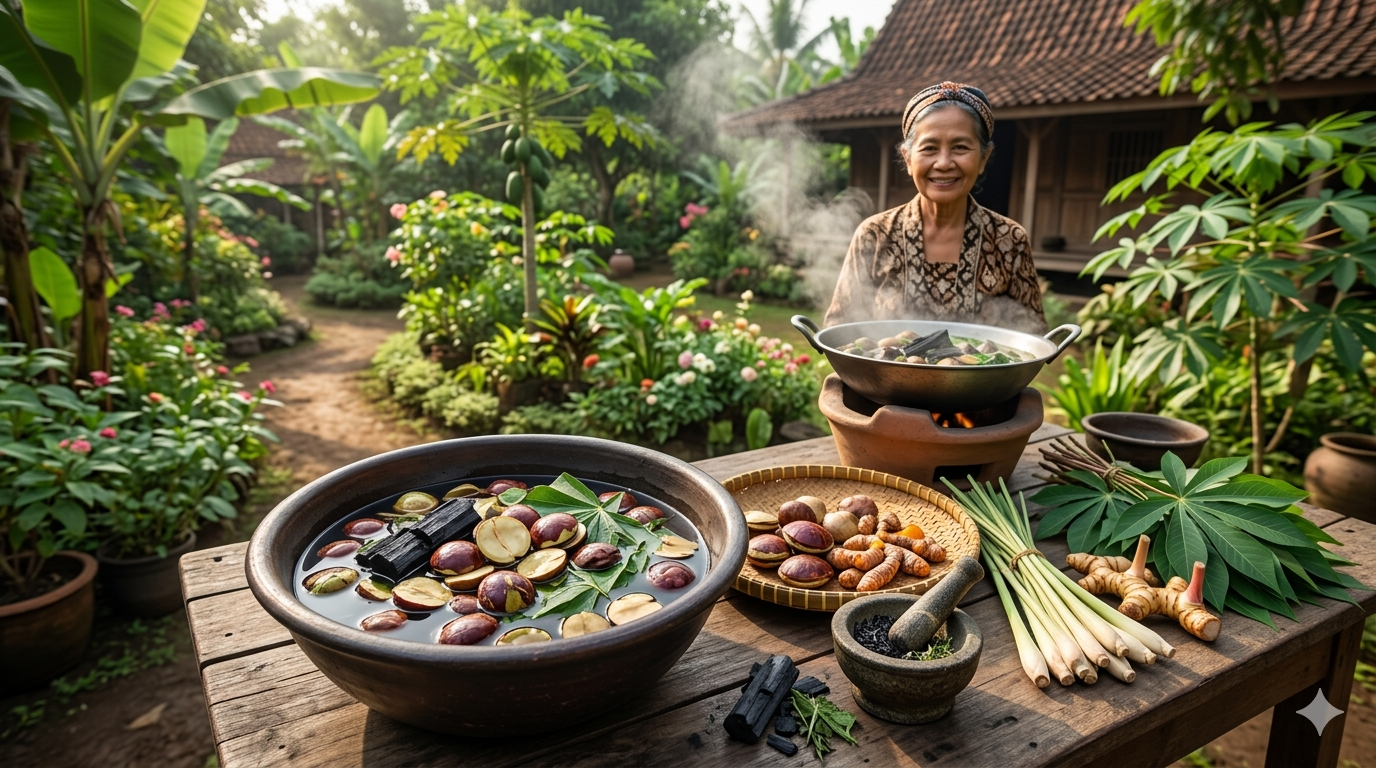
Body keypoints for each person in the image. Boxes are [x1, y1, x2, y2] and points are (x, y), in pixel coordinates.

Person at [824, 82, 1046, 333]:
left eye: (960, 147)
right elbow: (840, 329)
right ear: (908, 158)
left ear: (984, 158)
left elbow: (1031, 337)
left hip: (984, 374)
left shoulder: (1009, 240)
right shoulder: (875, 235)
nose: (943, 163)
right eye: (929, 148)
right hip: (876, 372)